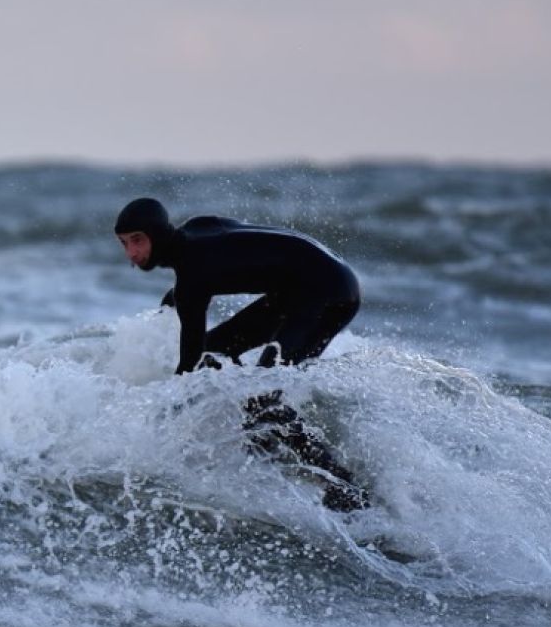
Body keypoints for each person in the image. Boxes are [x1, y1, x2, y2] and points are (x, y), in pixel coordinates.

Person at [113, 197, 368, 511]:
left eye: (138, 241)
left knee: (261, 396)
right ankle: (263, 449)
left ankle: (344, 487)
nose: (131, 254)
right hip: (302, 289)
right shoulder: (196, 229)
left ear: (158, 233)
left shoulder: (193, 275)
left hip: (330, 293)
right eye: (124, 243)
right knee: (217, 354)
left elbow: (187, 369)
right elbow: (239, 245)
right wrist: (175, 298)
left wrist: (155, 432)